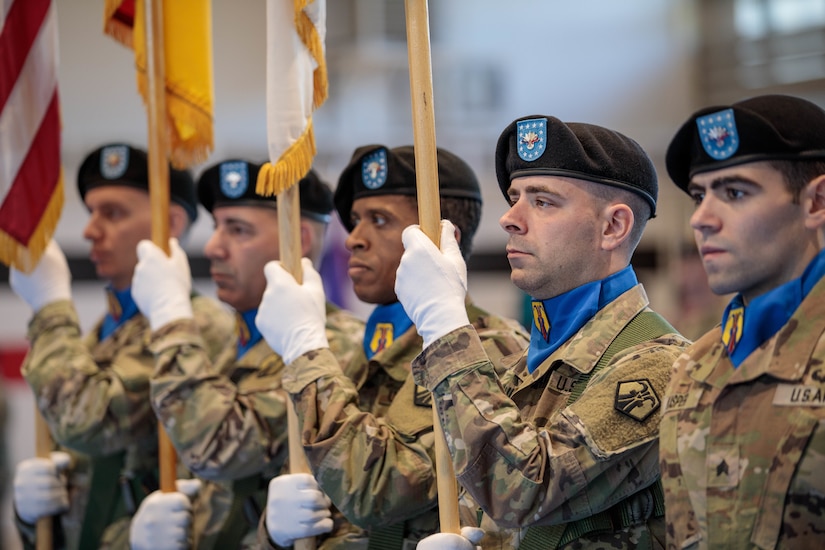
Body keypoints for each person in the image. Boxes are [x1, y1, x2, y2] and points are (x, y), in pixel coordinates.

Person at [394, 116, 692, 549]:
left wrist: (444, 325)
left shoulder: (663, 365)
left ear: (614, 227)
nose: (510, 219)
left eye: (543, 202)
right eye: (515, 197)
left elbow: (520, 490)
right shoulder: (525, 369)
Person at [254, 144, 530, 548]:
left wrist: (303, 351)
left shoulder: (488, 350)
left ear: (441, 242)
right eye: (354, 220)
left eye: (379, 220)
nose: (353, 240)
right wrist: (273, 537)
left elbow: (375, 491)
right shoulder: (348, 352)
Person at [127, 160, 366, 549]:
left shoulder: (333, 346)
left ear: (299, 240)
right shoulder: (220, 345)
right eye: (216, 226)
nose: (212, 247)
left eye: (237, 230)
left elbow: (218, 446)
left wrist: (170, 315)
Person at [8, 143, 235, 549]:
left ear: (171, 223)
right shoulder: (102, 334)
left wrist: (51, 307)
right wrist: (31, 518)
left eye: (112, 213)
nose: (90, 230)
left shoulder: (197, 328)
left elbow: (87, 422)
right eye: (92, 212)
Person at [659, 94, 825, 548]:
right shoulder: (694, 368)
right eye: (699, 194)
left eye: (735, 192)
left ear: (816, 202)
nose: (701, 218)